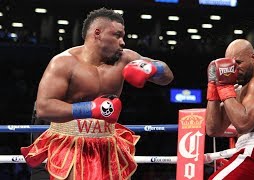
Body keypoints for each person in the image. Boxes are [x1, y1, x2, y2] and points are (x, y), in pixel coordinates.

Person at [20, 7, 174, 180]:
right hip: (69, 141)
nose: (122, 42)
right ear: (97, 33)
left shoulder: (125, 58)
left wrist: (152, 68)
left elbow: (167, 76)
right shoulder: (64, 62)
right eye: (117, 35)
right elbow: (44, 107)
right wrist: (91, 108)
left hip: (107, 141)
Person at [205, 39, 254, 180]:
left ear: (253, 57)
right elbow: (213, 129)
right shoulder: (237, 90)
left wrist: (224, 88)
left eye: (238, 63)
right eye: (231, 65)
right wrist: (214, 89)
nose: (235, 69)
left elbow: (244, 124)